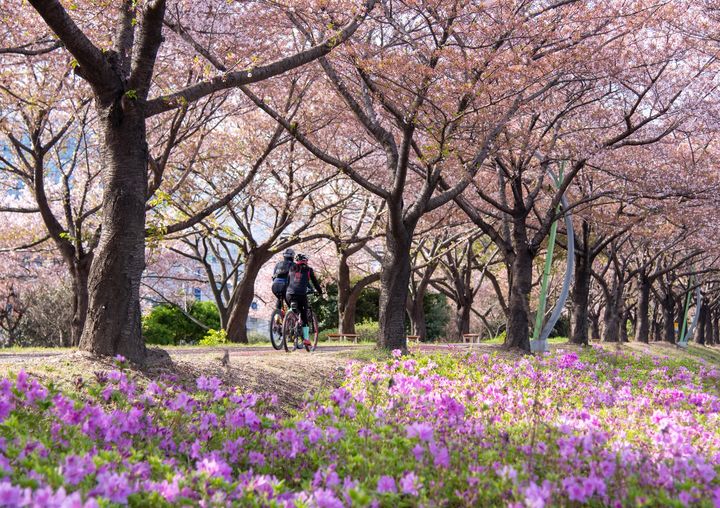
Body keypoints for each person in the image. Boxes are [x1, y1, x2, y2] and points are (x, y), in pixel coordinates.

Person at [286, 253, 323, 345]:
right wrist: (320, 292)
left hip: (289, 294)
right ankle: (306, 339)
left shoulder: (291, 268)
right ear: (305, 261)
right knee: (304, 315)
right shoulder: (309, 270)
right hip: (301, 295)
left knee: (292, 308)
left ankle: (290, 318)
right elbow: (314, 282)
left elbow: (289, 281)